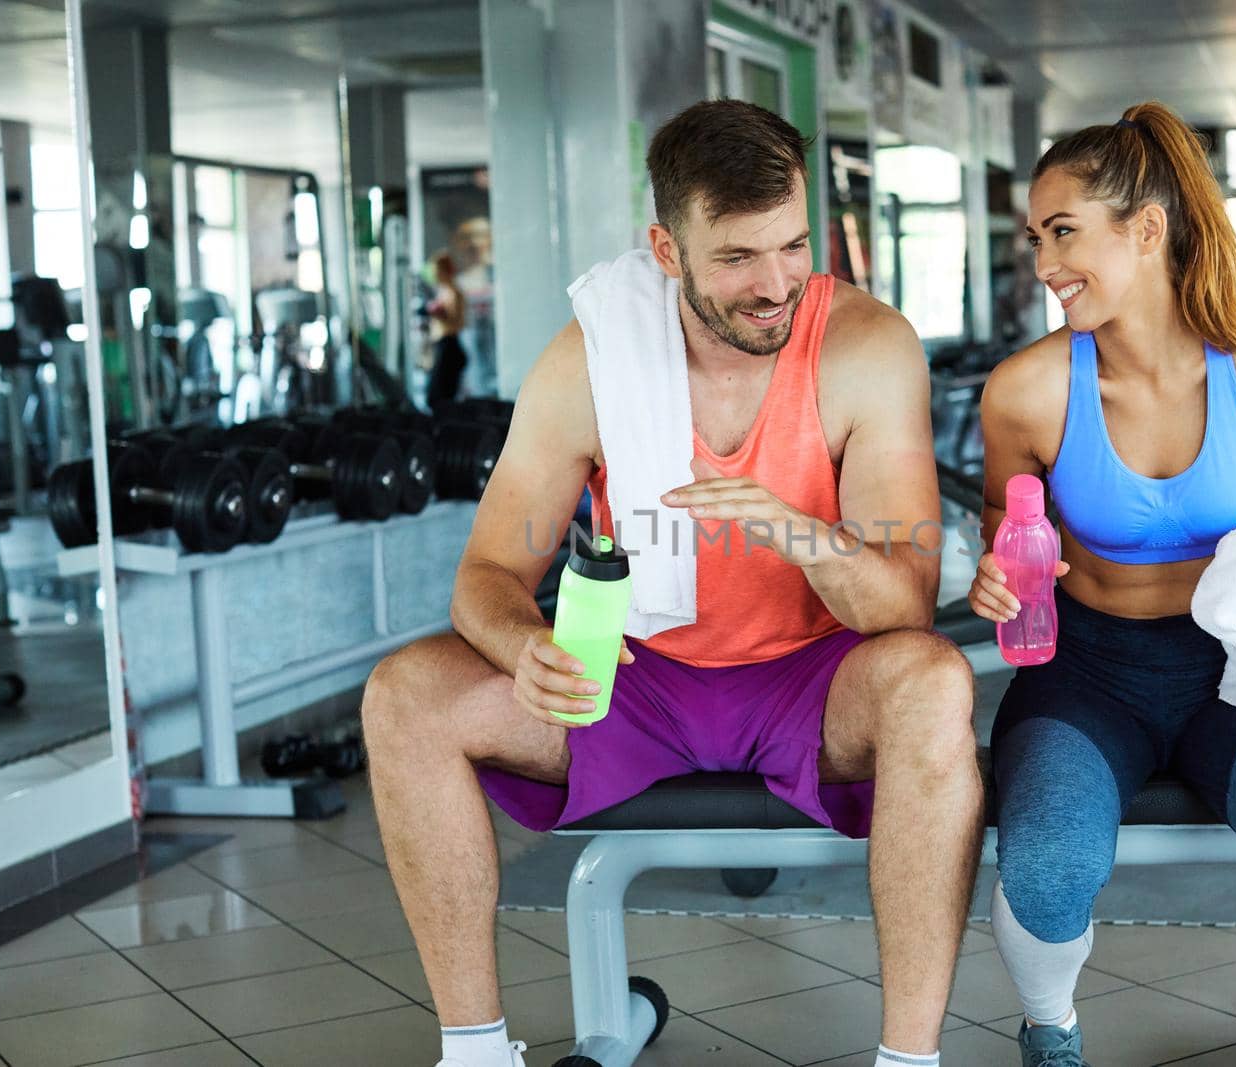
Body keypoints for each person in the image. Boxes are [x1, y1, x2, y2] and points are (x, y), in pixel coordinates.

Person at [363, 99, 981, 1067]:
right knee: (405, 695)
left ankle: (909, 1059)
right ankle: (474, 1051)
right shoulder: (591, 360)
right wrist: (529, 647)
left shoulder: (865, 346)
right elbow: (485, 573)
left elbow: (902, 604)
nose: (775, 283)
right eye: (737, 257)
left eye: (791, 245)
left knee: (936, 681)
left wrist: (794, 530)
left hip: (812, 680)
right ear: (665, 248)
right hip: (631, 677)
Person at [968, 102, 1236, 1067]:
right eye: (1036, 238)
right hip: (1085, 676)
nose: (1043, 263)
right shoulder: (1026, 389)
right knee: (1049, 859)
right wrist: (999, 566)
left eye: (1063, 232)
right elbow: (1004, 514)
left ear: (1147, 230)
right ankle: (1050, 1028)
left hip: (1233, 674)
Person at [424, 251, 469, 412]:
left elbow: (455, 320)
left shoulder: (453, 292)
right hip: (442, 344)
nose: (435, 275)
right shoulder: (443, 291)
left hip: (449, 345)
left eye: (438, 271)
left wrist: (437, 313)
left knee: (439, 396)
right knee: (437, 396)